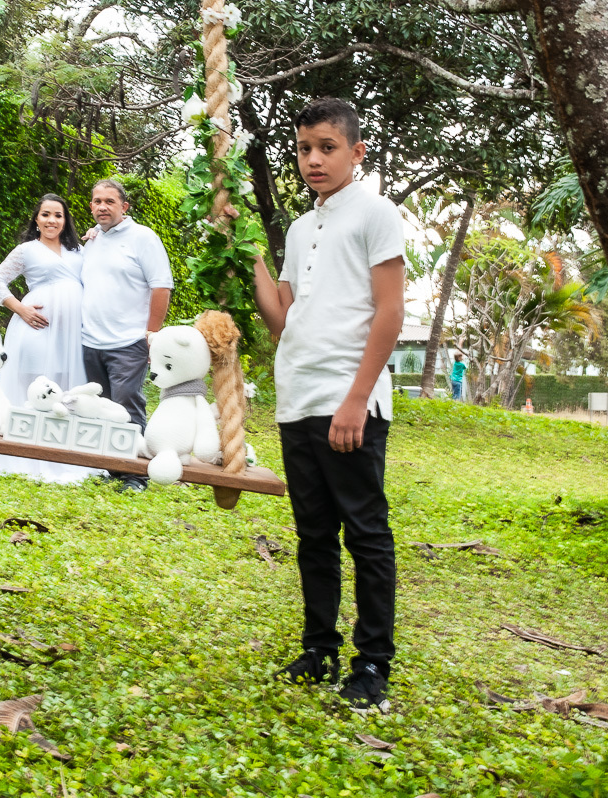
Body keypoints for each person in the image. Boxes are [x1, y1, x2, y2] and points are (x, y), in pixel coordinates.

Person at [249, 97, 405, 713]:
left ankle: (373, 663)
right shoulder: (298, 229)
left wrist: (356, 399)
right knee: (313, 533)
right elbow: (282, 320)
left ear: (356, 152)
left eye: (327, 148)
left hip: (349, 399)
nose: (313, 159)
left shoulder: (376, 213)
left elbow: (390, 312)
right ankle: (319, 649)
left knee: (365, 532)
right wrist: (252, 256)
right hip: (298, 397)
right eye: (304, 149)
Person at [0, 194, 104, 484]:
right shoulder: (27, 250)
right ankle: (25, 450)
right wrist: (20, 308)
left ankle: (62, 451)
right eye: (46, 215)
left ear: (65, 220)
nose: (52, 220)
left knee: (66, 384)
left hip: (72, 332)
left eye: (58, 215)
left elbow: (104, 248)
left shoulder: (78, 251)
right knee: (34, 384)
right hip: (37, 328)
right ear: (36, 220)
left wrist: (95, 233)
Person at [80, 178, 174, 491]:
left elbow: (161, 286)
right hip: (91, 341)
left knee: (126, 406)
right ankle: (113, 467)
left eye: (109, 201)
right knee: (101, 406)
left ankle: (136, 474)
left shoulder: (143, 238)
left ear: (124, 206)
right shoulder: (92, 241)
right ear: (91, 206)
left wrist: (152, 333)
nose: (102, 207)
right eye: (97, 201)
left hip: (128, 342)